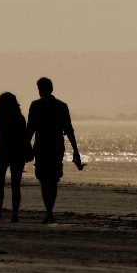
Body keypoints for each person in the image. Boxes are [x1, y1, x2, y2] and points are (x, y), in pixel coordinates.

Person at [27, 77, 83, 224]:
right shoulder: (62, 106)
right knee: (53, 180)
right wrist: (76, 150)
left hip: (41, 148)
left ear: (39, 90)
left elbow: (30, 130)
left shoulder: (35, 106)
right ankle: (49, 212)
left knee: (44, 180)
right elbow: (69, 130)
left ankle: (49, 212)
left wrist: (25, 148)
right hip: (57, 148)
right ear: (52, 89)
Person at [0, 92, 28, 222]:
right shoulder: (20, 118)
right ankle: (14, 215)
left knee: (0, 183)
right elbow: (25, 137)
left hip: (2, 152)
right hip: (17, 154)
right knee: (16, 184)